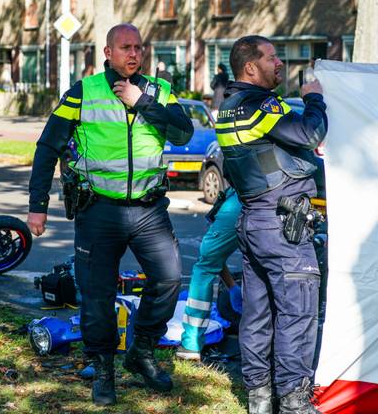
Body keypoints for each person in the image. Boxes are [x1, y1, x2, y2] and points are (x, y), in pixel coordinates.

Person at [27, 23, 193, 406]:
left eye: (138, 47)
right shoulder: (85, 92)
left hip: (149, 208)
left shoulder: (159, 90)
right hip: (99, 209)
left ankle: (142, 352)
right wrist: (38, 206)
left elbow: (183, 134)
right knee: (97, 295)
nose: (133, 54)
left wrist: (142, 102)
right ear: (108, 52)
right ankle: (103, 370)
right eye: (125, 48)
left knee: (168, 279)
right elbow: (47, 146)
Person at [216, 35, 327, 414]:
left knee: (258, 315)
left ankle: (260, 399)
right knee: (298, 311)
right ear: (251, 67)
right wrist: (313, 96)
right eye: (272, 57)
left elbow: (271, 154)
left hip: (254, 221)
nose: (279, 63)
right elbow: (309, 133)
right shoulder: (258, 103)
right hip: (282, 226)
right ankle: (295, 402)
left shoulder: (230, 106)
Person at [177, 187, 243, 360]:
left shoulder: (232, 202)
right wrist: (232, 286)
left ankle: (190, 345)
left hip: (242, 197)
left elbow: (210, 259)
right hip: (278, 198)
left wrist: (232, 287)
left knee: (204, 269)